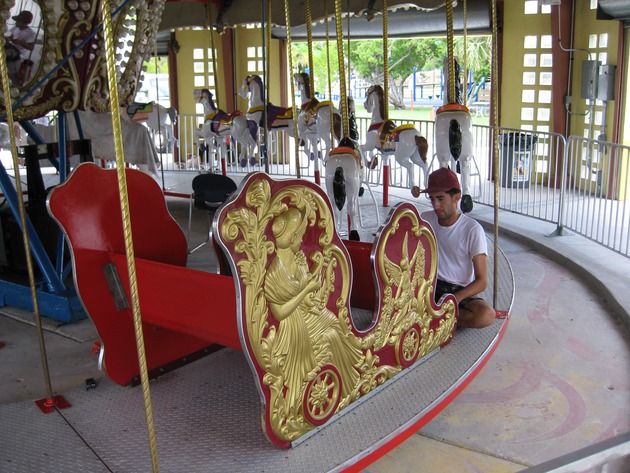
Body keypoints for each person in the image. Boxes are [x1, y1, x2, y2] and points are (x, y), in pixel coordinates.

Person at [264, 207, 361, 408]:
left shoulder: (298, 260)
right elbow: (279, 313)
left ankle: (354, 372)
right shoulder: (273, 274)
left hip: (305, 313)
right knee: (332, 335)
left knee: (334, 323)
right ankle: (342, 383)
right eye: (300, 236)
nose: (302, 241)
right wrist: (306, 290)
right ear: (292, 239)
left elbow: (307, 296)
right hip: (292, 326)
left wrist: (312, 299)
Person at [421, 167, 496, 328]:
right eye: (432, 199)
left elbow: (482, 281)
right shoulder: (424, 220)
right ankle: (439, 318)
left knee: (486, 315)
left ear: (457, 197)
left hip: (458, 290)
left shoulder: (472, 229)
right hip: (429, 285)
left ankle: (432, 318)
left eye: (440, 199)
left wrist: (456, 298)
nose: (436, 205)